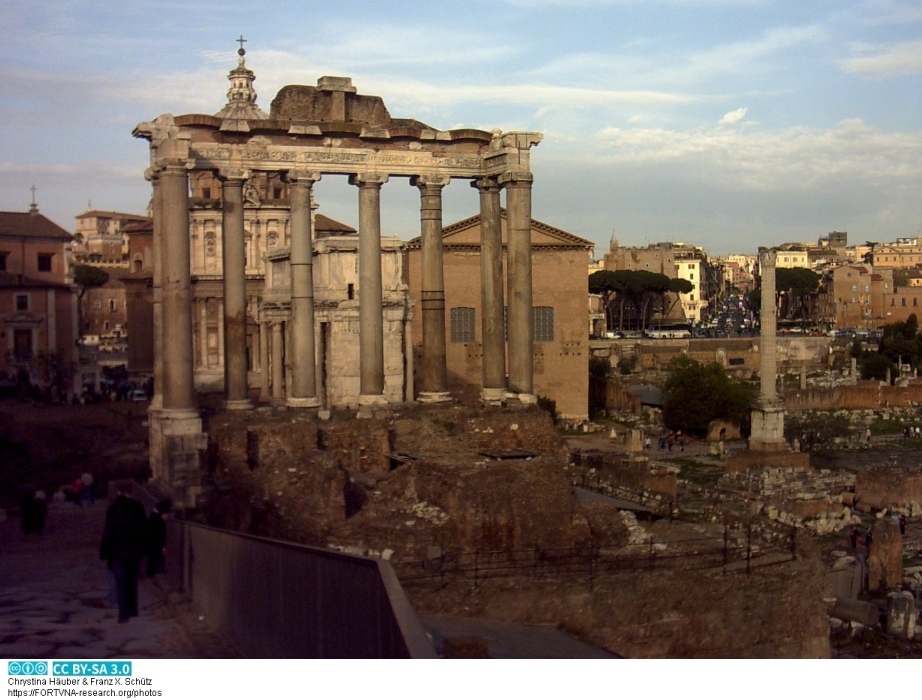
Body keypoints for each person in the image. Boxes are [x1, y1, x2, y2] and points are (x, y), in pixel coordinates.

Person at [99, 483, 149, 623]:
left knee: (120, 581)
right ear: (131, 492)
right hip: (133, 551)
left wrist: (104, 551)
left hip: (117, 551)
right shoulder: (137, 507)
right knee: (131, 581)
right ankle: (132, 609)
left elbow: (107, 531)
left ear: (119, 492)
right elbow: (143, 528)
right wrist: (144, 548)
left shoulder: (113, 509)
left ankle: (123, 612)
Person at [145, 499, 172, 578]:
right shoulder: (158, 519)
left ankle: (151, 572)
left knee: (152, 557)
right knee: (154, 557)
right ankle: (154, 572)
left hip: (152, 543)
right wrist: (162, 546)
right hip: (155, 544)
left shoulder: (153, 516)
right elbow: (159, 534)